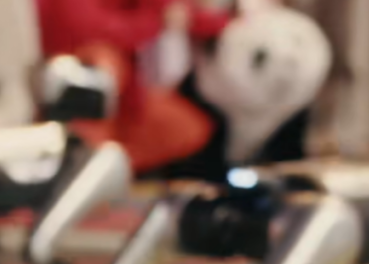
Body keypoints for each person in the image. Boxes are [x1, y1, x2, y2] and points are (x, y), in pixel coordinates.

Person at [36, 0, 231, 174]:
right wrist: (155, 22)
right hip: (72, 70)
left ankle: (105, 169)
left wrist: (227, 23)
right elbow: (83, 28)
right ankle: (80, 167)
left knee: (190, 128)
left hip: (127, 95)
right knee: (103, 60)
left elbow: (178, 12)